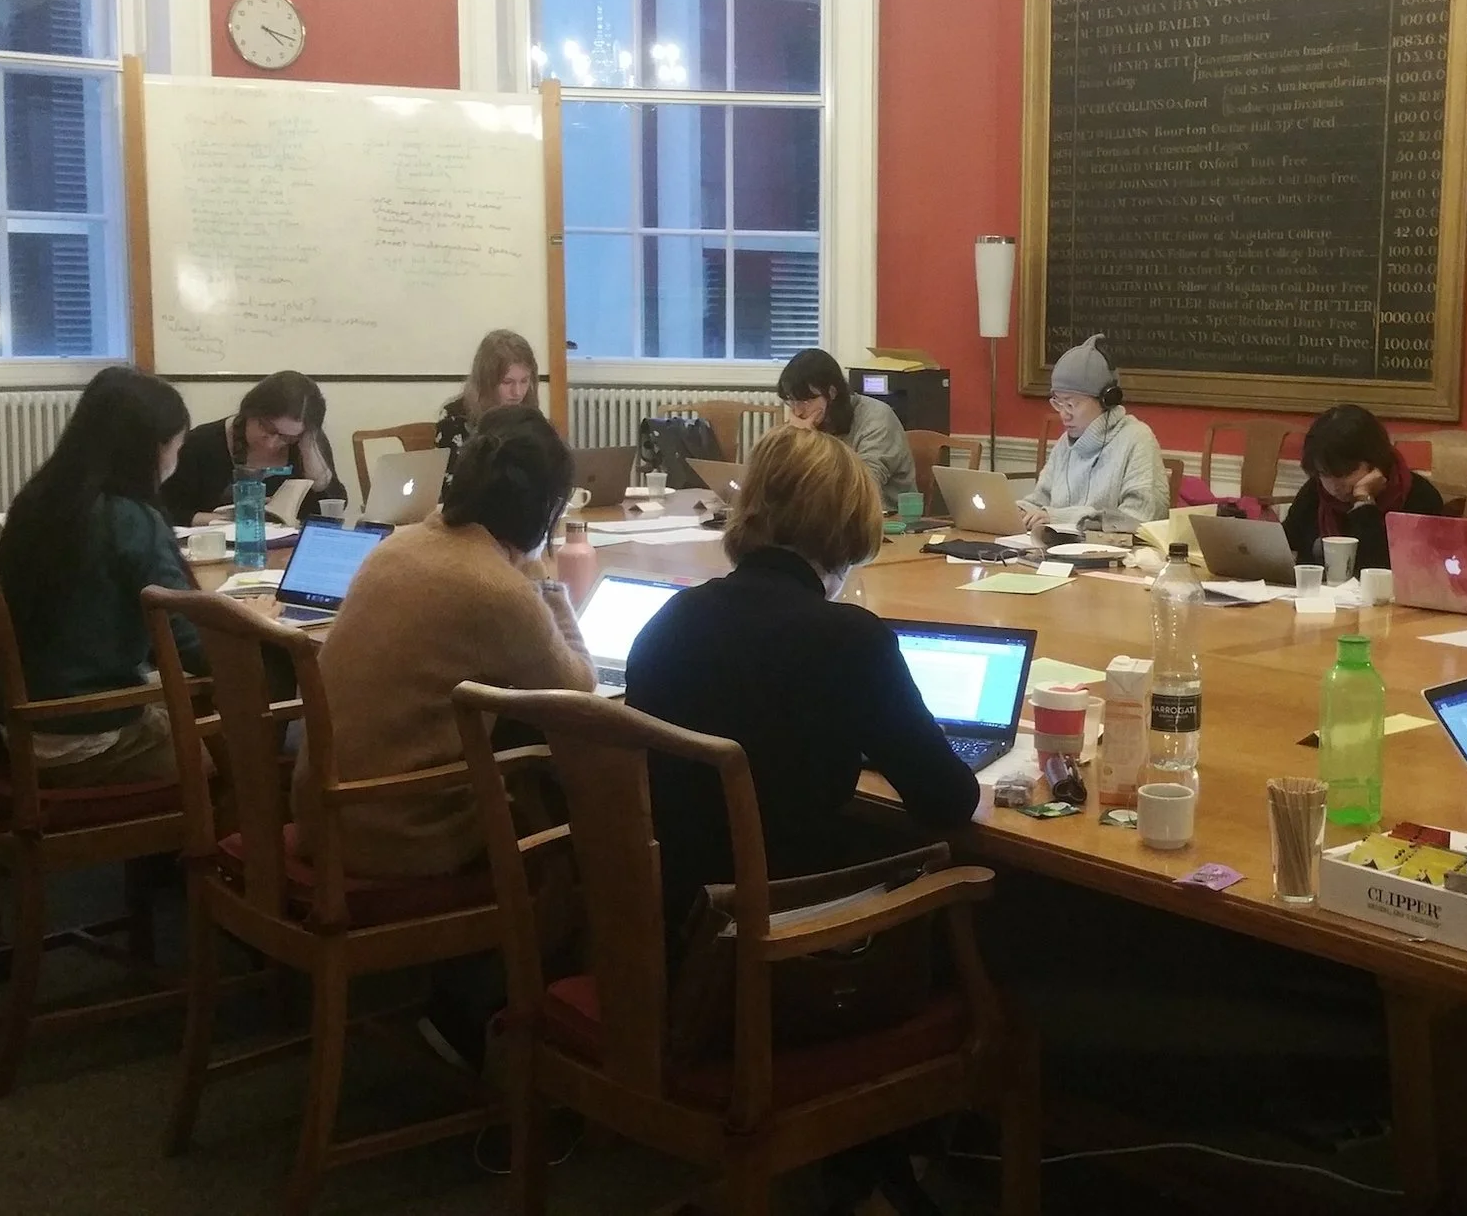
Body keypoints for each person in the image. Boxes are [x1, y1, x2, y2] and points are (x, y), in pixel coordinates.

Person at [628, 423, 979, 922]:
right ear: (846, 531)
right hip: (783, 924)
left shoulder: (673, 617)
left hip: (673, 912)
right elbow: (948, 802)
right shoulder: (848, 640)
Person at [312, 405, 593, 879]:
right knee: (571, 793)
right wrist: (541, 578)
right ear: (546, 510)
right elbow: (578, 689)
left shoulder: (397, 545)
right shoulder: (495, 590)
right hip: (403, 836)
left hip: (326, 812)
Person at [0, 368, 202, 787]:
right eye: (177, 446)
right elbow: (185, 649)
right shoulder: (131, 520)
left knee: (177, 704)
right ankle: (188, 838)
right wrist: (256, 630)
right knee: (236, 760)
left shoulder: (37, 499)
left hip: (15, 722)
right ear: (154, 448)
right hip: (84, 735)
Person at [159, 371, 346, 527]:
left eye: (287, 437)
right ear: (250, 411)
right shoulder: (202, 442)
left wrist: (310, 444)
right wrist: (229, 521)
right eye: (267, 428)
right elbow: (167, 510)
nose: (272, 443)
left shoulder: (305, 446)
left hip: (285, 551)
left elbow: (333, 505)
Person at [1019, 334, 1168, 529]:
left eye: (1071, 404)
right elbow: (1041, 500)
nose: (1064, 414)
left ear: (1106, 400)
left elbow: (1140, 517)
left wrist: (1060, 518)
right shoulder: (1065, 444)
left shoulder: (1137, 439)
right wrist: (1019, 511)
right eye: (1058, 403)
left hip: (1111, 555)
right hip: (1055, 552)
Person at [1281, 404, 1445, 570]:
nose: (1334, 486)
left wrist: (1364, 502)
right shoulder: (1315, 492)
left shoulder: (1419, 496)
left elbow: (1379, 569)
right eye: (1324, 474)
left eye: (1344, 473)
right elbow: (1285, 545)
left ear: (1376, 462)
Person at [776, 347, 915, 511]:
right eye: (791, 401)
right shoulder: (805, 423)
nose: (797, 411)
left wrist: (810, 443)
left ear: (832, 392)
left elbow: (863, 488)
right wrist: (793, 441)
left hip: (879, 520)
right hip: (822, 517)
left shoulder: (876, 417)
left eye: (805, 402)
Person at [435, 329, 540, 468]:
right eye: (507, 382)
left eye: (525, 381)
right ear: (486, 380)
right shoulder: (454, 419)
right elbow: (452, 485)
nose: (518, 392)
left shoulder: (529, 414)